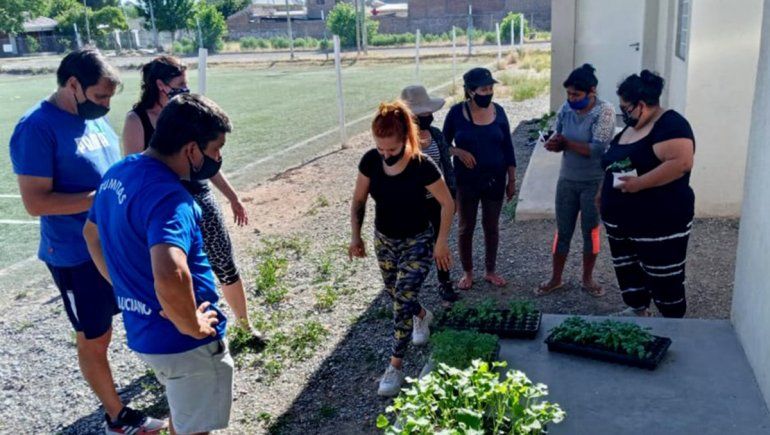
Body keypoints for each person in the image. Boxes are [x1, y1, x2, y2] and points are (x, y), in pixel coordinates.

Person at [9, 49, 166, 434]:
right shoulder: (36, 127)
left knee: (143, 311)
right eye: (100, 97)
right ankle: (116, 417)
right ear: (73, 84)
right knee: (95, 336)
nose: (106, 106)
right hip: (75, 255)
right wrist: (99, 200)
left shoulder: (90, 118)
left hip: (115, 245)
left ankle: (173, 376)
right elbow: (34, 202)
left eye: (110, 98)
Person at [84, 93, 235, 434]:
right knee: (196, 428)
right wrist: (191, 325)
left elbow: (91, 233)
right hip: (184, 345)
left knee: (184, 413)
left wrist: (124, 285)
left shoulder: (119, 171)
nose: (218, 157)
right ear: (192, 150)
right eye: (216, 148)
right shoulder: (170, 197)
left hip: (145, 334)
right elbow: (170, 271)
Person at [122, 56, 261, 341]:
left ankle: (245, 326)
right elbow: (136, 171)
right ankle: (185, 328)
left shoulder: (188, 112)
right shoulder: (136, 121)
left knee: (223, 261)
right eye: (180, 85)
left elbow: (207, 160)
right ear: (160, 85)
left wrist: (232, 197)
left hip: (199, 196)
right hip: (166, 207)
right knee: (176, 269)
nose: (185, 90)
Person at [349, 101, 454, 397]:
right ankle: (421, 315)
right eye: (380, 149)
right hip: (385, 239)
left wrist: (442, 241)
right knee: (396, 293)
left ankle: (395, 366)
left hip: (418, 241)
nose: (386, 155)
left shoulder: (423, 166)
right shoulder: (370, 161)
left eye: (392, 150)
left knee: (400, 300)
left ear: (406, 139)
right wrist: (355, 237)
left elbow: (448, 202)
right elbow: (358, 201)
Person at [600, 70, 695, 318]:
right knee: (628, 269)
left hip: (658, 222)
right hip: (621, 222)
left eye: (625, 107)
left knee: (663, 274)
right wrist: (602, 192)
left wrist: (640, 184)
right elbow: (612, 164)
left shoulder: (671, 125)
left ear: (641, 105)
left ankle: (672, 323)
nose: (623, 113)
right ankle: (637, 309)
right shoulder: (631, 129)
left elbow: (681, 163)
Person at [537, 64, 615, 298]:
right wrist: (552, 143)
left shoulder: (605, 111)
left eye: (576, 95)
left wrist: (566, 144)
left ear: (592, 91)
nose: (571, 99)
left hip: (594, 181)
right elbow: (557, 135)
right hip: (568, 179)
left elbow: (599, 148)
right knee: (563, 230)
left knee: (590, 230)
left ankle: (588, 278)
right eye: (569, 94)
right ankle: (556, 278)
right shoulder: (566, 109)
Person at [442, 67, 516, 290]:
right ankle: (468, 272)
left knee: (491, 226)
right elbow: (443, 144)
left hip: (495, 179)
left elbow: (508, 148)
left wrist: (511, 180)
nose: (489, 92)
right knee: (466, 226)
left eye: (491, 88)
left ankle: (490, 271)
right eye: (484, 89)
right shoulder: (456, 113)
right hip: (467, 181)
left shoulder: (499, 112)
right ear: (471, 91)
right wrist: (459, 152)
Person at [400, 85, 459, 304]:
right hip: (414, 205)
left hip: (438, 201)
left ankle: (445, 283)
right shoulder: (400, 140)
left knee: (440, 243)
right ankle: (409, 288)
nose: (428, 116)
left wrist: (453, 195)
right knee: (414, 247)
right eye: (422, 114)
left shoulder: (435, 134)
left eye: (428, 113)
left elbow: (447, 165)